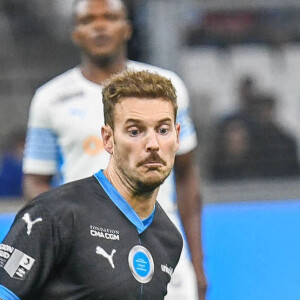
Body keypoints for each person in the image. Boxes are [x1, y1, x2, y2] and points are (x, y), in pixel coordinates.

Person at [22, 0, 206, 298]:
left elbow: (186, 176)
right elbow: (35, 180)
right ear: (76, 32)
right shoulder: (50, 99)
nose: (100, 26)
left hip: (160, 248)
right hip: (88, 249)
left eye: (109, 17)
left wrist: (197, 264)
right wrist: (61, 236)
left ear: (127, 27)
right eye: (89, 19)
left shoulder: (166, 89)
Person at [0, 70, 183, 299]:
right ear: (108, 139)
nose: (153, 144)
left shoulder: (169, 238)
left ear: (177, 136)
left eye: (163, 130)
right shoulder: (55, 215)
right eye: (135, 131)